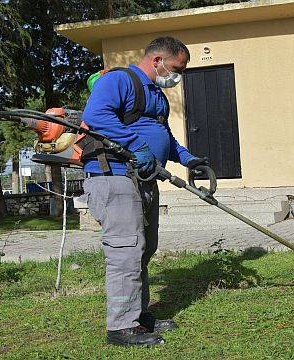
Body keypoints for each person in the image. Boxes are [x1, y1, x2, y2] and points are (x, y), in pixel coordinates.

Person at [81, 37, 208, 347]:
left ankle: (138, 316)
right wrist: (137, 146)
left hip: (144, 179)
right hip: (114, 176)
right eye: (176, 68)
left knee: (144, 247)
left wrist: (185, 156)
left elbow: (163, 134)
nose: (178, 75)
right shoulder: (120, 81)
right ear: (157, 61)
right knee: (126, 250)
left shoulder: (156, 94)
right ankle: (121, 328)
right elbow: (96, 117)